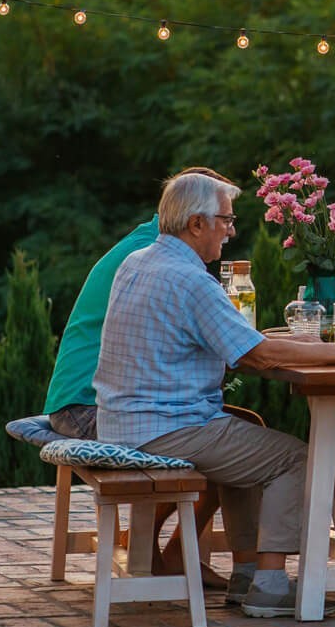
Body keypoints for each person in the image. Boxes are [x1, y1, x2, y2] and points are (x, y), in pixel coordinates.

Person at [94, 170, 335, 618]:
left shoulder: (138, 261)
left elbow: (239, 344)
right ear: (196, 224)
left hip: (123, 420)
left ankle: (247, 572)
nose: (231, 232)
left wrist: (315, 345)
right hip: (164, 430)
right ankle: (271, 586)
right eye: (226, 221)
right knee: (295, 457)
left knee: (248, 431)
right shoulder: (192, 279)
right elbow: (253, 356)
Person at [43, 166, 232, 440]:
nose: (229, 230)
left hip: (86, 403)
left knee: (226, 431)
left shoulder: (151, 246)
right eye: (224, 217)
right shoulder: (156, 256)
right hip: (88, 408)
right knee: (226, 439)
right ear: (197, 218)